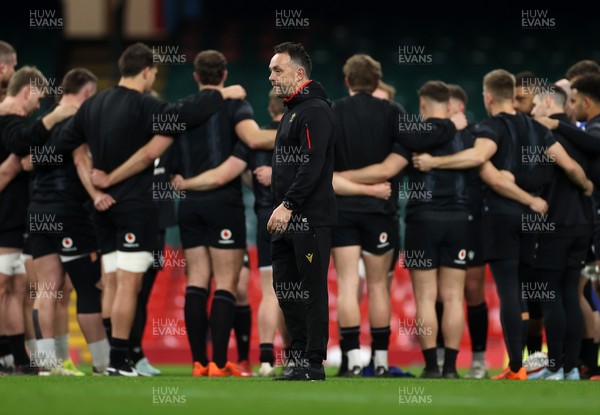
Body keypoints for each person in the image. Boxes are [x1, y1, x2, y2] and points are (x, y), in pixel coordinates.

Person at [58, 42, 242, 376]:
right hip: (133, 206)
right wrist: (220, 95)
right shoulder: (145, 105)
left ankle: (115, 359)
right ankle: (119, 360)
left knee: (110, 283)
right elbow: (173, 125)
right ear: (146, 71)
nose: (154, 79)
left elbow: (69, 148)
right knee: (129, 286)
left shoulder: (92, 104)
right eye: (154, 73)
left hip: (102, 210)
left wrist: (95, 187)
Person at [412, 69, 591, 380]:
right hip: (535, 222)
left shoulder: (489, 127)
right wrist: (586, 185)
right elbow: (571, 166)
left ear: (489, 97)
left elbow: (483, 165)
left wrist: (434, 162)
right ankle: (565, 366)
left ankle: (516, 366)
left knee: (510, 291)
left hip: (501, 217)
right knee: (541, 292)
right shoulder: (538, 128)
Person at [24, 68, 111, 376]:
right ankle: (103, 364)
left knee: (47, 288)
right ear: (88, 93)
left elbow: (26, 161)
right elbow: (80, 159)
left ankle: (47, 364)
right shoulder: (80, 119)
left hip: (37, 212)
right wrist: (97, 193)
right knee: (88, 288)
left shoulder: (44, 122)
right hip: (68, 212)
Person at [0, 66, 77, 374]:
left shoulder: (19, 123)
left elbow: (25, 155)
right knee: (5, 286)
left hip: (18, 221)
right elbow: (20, 147)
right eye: (39, 98)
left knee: (18, 290)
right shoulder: (9, 122)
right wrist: (55, 117)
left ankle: (18, 358)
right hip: (5, 220)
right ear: (28, 91)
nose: (38, 104)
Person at [267, 41, 336, 381]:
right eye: (269, 71)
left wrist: (288, 204)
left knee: (310, 290)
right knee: (287, 289)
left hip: (307, 218)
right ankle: (297, 358)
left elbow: (313, 163)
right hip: (286, 221)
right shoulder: (293, 111)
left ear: (298, 73)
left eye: (277, 70)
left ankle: (313, 362)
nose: (271, 77)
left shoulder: (315, 111)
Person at [528, 85, 593, 380]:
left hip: (554, 225)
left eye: (533, 105)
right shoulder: (581, 134)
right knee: (570, 294)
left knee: (551, 295)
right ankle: (570, 368)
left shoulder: (543, 133)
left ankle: (554, 366)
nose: (530, 111)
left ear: (545, 102)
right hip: (582, 223)